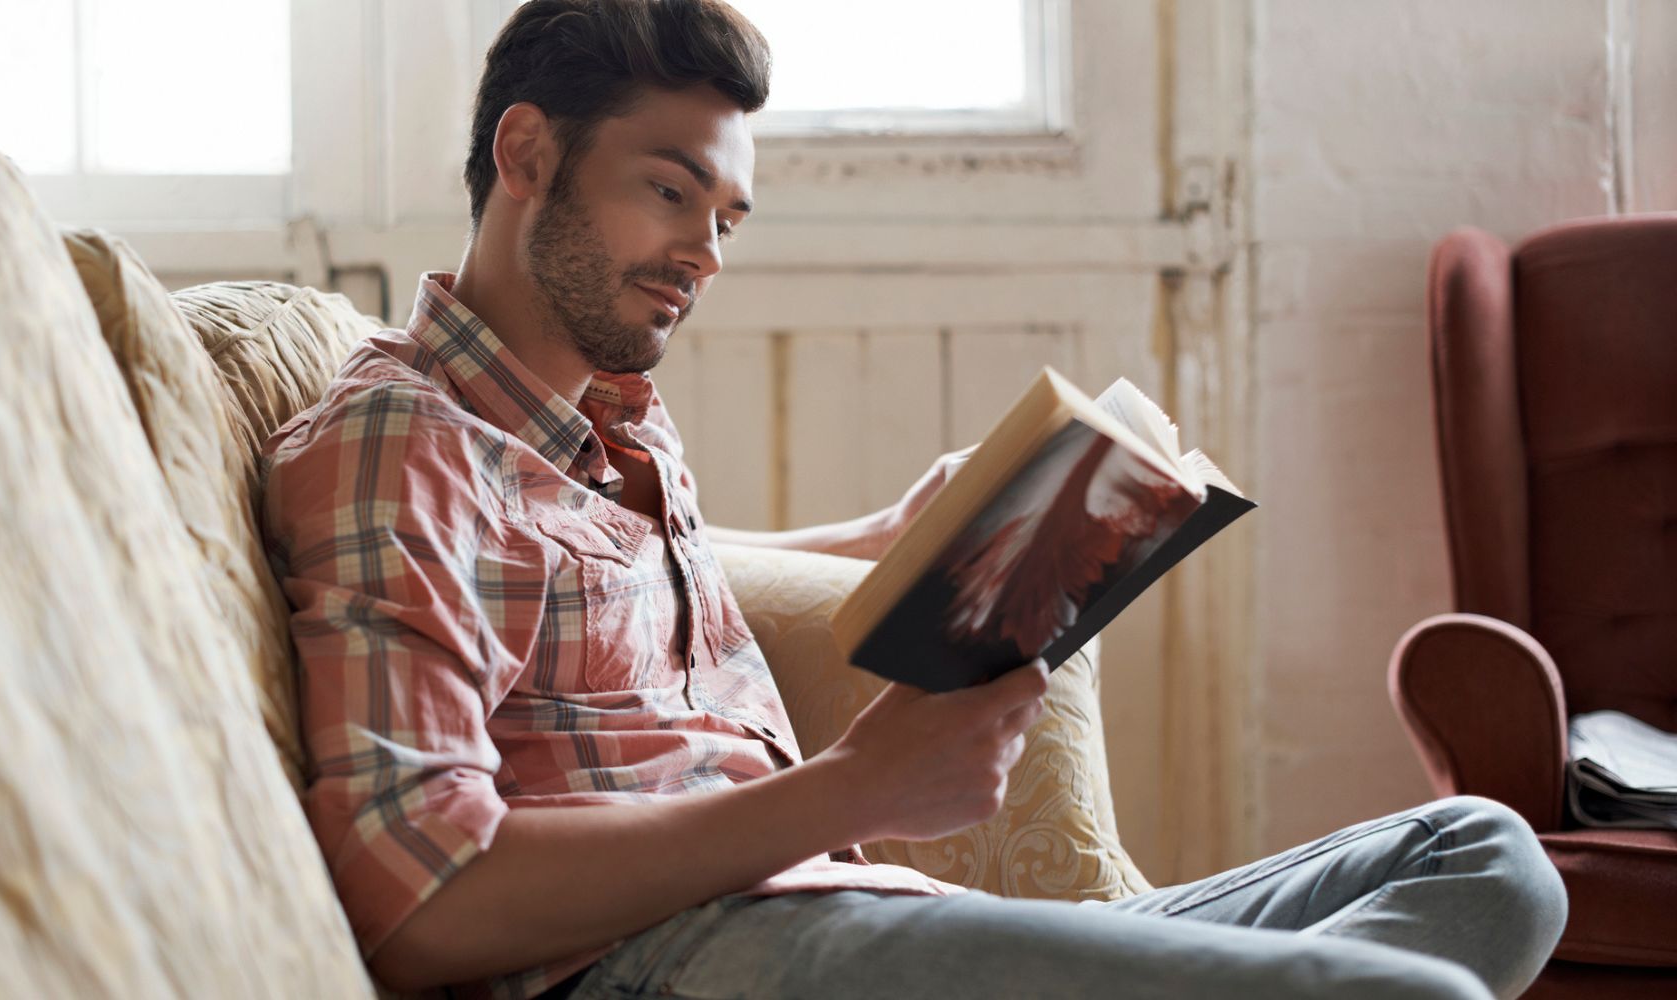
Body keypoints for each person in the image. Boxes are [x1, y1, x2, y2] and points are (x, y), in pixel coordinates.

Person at [259, 2, 1569, 997]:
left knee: (1482, 855)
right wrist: (854, 787)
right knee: (1417, 994)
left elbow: (567, 570)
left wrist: (889, 542)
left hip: (835, 908)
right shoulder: (403, 440)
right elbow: (416, 898)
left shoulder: (595, 419)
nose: (705, 255)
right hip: (672, 958)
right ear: (529, 155)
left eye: (728, 216)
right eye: (670, 190)